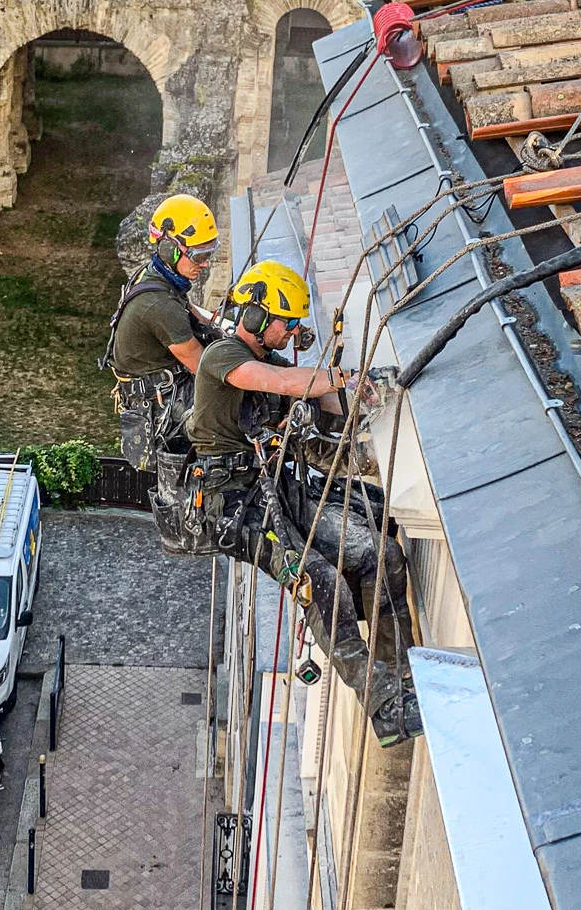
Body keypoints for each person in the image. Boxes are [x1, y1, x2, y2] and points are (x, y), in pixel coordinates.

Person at [178, 260, 401, 704]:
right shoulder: (223, 357)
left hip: (273, 490)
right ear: (257, 316)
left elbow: (320, 396)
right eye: (288, 323)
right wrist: (343, 377)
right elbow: (283, 383)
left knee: (381, 552)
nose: (293, 331)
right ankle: (384, 702)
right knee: (322, 584)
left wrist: (372, 390)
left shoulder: (269, 359)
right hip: (234, 506)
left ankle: (401, 670)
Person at [104, 194, 221, 469]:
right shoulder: (158, 305)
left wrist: (224, 325)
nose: (205, 264)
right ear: (171, 250)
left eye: (209, 254)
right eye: (199, 255)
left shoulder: (154, 274)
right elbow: (210, 371)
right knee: (240, 415)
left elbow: (190, 309)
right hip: (163, 407)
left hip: (164, 388)